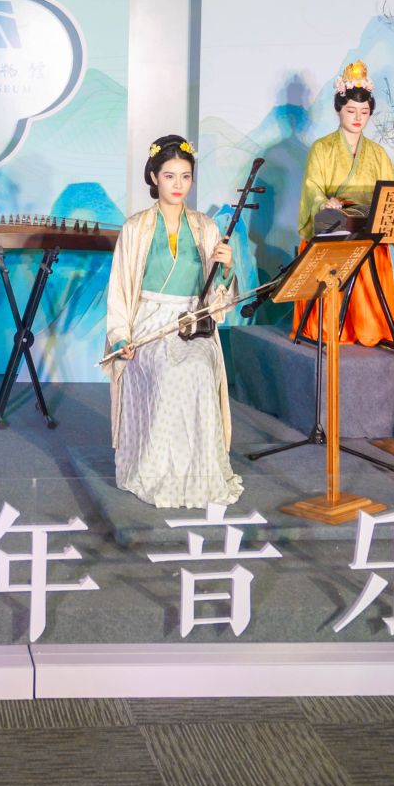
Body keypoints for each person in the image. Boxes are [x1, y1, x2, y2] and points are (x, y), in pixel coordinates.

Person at [105, 134, 243, 508]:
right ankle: (155, 471)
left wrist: (227, 268)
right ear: (154, 177)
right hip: (149, 323)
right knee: (167, 373)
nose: (178, 185)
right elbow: (119, 289)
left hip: (193, 322)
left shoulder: (206, 227)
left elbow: (219, 300)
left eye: (185, 176)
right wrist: (120, 337)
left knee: (197, 370)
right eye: (169, 176)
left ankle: (200, 475)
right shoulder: (136, 227)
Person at [294, 61, 394, 348]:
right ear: (338, 110)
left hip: (367, 231)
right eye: (351, 111)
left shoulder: (377, 153)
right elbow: (312, 187)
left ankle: (372, 326)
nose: (358, 118)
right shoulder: (322, 148)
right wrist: (325, 203)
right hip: (334, 229)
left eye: (364, 112)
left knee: (373, 244)